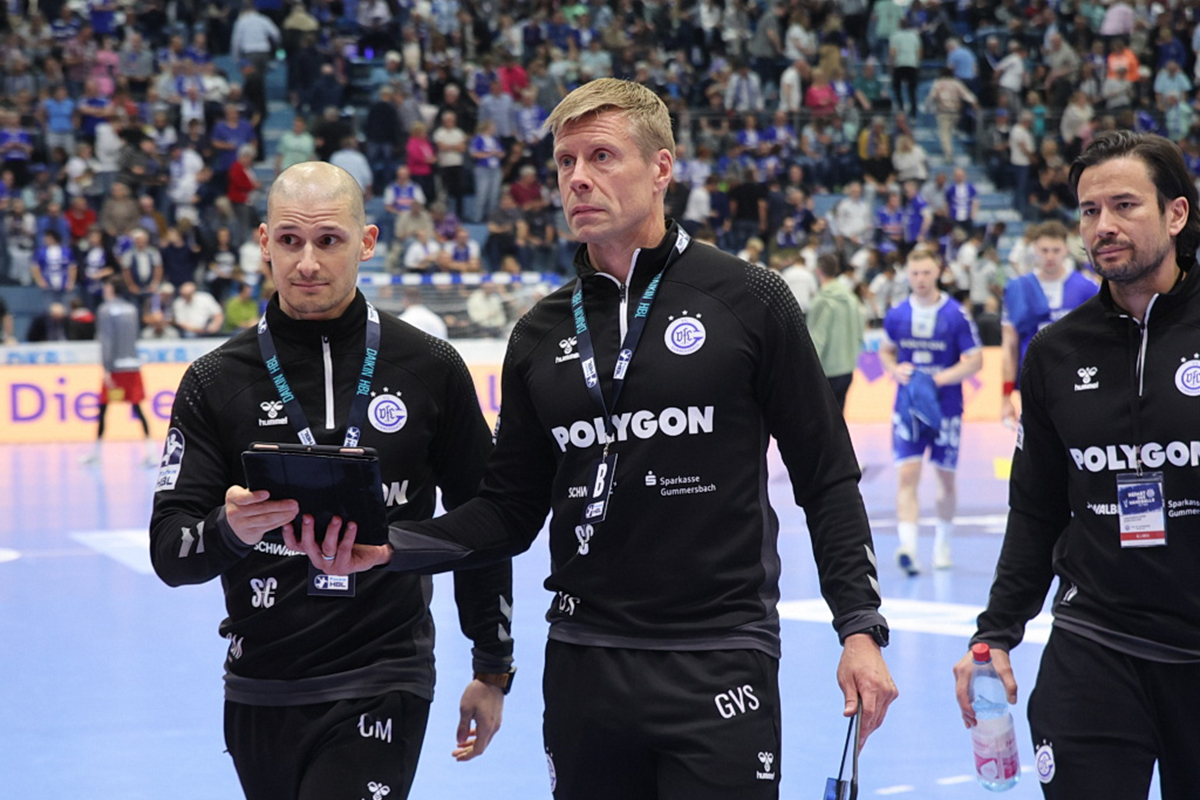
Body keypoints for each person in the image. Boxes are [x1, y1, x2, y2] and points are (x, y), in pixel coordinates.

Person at [285, 78, 897, 800]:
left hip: (720, 654)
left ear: (661, 168)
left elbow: (826, 476)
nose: (578, 178)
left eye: (602, 156)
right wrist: (393, 546)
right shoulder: (539, 334)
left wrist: (859, 627)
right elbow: (508, 512)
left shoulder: (749, 300)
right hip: (584, 663)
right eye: (565, 162)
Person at [147, 162, 514, 800]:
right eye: (290, 241)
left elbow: (481, 520)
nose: (308, 262)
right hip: (260, 684)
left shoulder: (430, 367)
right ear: (264, 242)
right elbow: (170, 550)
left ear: (366, 242)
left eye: (329, 240)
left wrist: (492, 664)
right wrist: (229, 528)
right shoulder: (214, 380)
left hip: (384, 673)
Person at [953, 130, 1200, 799]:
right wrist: (995, 632)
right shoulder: (1056, 353)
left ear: (1176, 213)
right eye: (1090, 210)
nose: (1103, 226)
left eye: (1124, 205)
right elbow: (1035, 508)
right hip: (1096, 643)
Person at [880, 246, 983, 575]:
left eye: (926, 272)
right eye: (914, 273)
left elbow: (975, 361)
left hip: (946, 408)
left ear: (937, 272)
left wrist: (937, 380)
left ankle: (943, 544)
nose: (920, 279)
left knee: (945, 478)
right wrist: (894, 369)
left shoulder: (955, 315)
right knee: (907, 475)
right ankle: (908, 548)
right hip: (908, 408)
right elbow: (885, 351)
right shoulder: (897, 314)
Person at [1000, 221, 1099, 428]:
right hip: (1033, 382)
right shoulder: (1017, 288)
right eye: (1044, 250)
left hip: (1079, 383)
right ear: (1034, 250)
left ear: (1066, 249)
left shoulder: (1088, 287)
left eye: (1056, 250)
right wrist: (1006, 397)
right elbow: (1009, 345)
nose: (1050, 256)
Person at [82, 276, 157, 467]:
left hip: (115, 369)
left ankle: (96, 453)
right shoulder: (132, 309)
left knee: (103, 408)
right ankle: (152, 452)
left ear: (111, 289)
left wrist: (106, 368)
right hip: (132, 366)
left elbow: (106, 340)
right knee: (137, 408)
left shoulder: (105, 310)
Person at [808, 253, 865, 411]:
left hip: (827, 371)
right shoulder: (852, 298)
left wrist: (808, 370)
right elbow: (860, 332)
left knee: (821, 419)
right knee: (838, 417)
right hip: (847, 368)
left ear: (818, 270)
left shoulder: (822, 301)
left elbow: (817, 338)